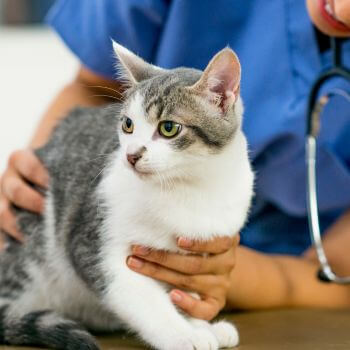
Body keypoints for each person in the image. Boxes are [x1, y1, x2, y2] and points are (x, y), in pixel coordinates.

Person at [1, 0, 350, 321]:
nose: (344, 10)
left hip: (278, 289)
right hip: (109, 247)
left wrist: (225, 274)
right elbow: (93, 87)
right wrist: (36, 187)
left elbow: (340, 277)